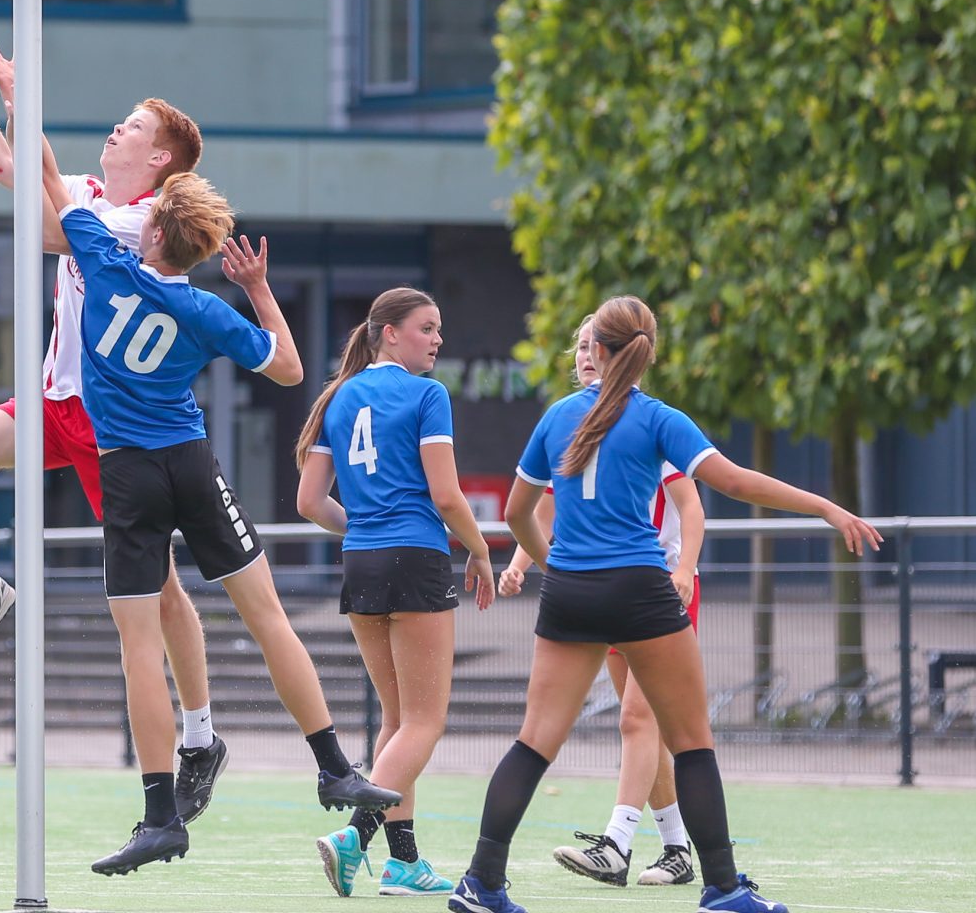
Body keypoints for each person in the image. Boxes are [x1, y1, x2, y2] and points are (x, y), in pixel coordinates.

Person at [38, 128, 401, 876]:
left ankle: (160, 815)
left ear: (157, 230)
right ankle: (333, 766)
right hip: (193, 465)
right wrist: (260, 288)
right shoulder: (208, 311)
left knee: (140, 644)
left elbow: (43, 175)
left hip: (130, 475)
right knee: (266, 617)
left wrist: (16, 92)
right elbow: (291, 368)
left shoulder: (105, 263)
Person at [446, 295, 881, 913]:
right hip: (640, 590)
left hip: (571, 592)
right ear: (647, 353)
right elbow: (733, 481)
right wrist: (826, 506)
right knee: (692, 744)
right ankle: (723, 888)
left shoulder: (557, 416)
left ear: (594, 350)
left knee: (534, 743)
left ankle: (481, 884)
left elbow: (517, 514)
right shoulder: (657, 419)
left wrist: (557, 566)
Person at [0, 37, 228, 819]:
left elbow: (50, 216)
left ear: (161, 157)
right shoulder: (91, 193)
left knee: (159, 594)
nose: (116, 132)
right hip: (55, 402)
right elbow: (10, 173)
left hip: (113, 424)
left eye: (131, 127)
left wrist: (22, 102)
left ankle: (200, 734)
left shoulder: (142, 227)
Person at [295, 288, 497, 897]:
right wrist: (483, 551)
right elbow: (445, 495)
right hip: (416, 558)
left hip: (361, 561)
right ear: (388, 333)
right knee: (426, 722)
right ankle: (354, 835)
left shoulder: (338, 396)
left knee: (398, 719)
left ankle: (403, 863)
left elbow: (308, 504)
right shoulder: (427, 395)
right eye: (427, 328)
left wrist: (366, 528)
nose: (438, 340)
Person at [499, 314, 705, 888]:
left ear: (624, 353)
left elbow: (693, 506)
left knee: (641, 718)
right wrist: (522, 564)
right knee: (641, 723)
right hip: (598, 588)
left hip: (655, 587)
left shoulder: (650, 425)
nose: (588, 354)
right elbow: (542, 508)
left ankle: (617, 842)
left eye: (598, 345)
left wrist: (685, 567)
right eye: (582, 345)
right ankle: (677, 848)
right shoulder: (573, 425)